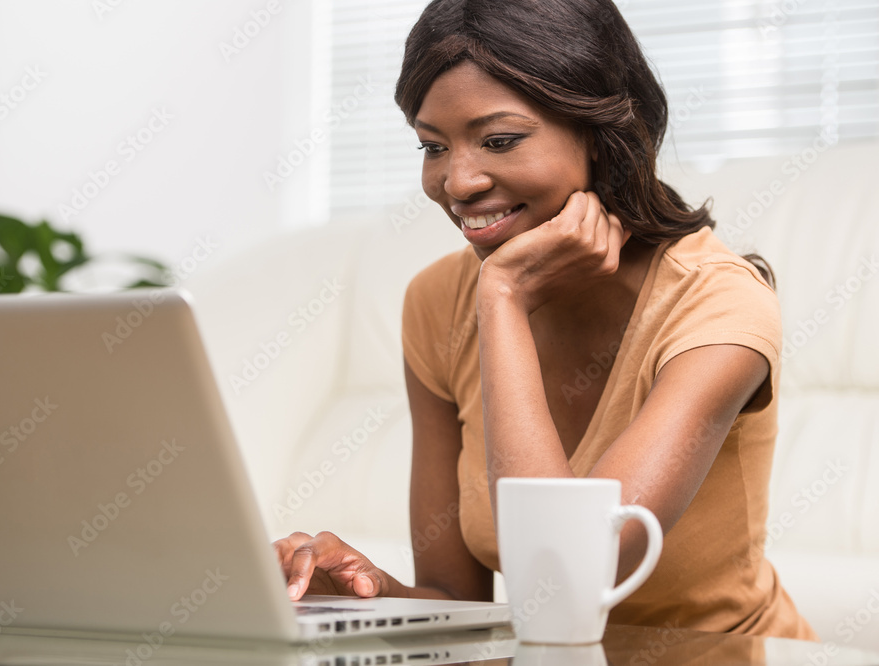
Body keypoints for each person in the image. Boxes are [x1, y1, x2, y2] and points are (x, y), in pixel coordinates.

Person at [274, 0, 817, 639]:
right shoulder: (437, 303)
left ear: (599, 130)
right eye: (432, 146)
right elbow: (459, 600)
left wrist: (503, 297)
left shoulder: (718, 305)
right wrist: (364, 593)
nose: (457, 181)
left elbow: (565, 579)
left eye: (499, 140)